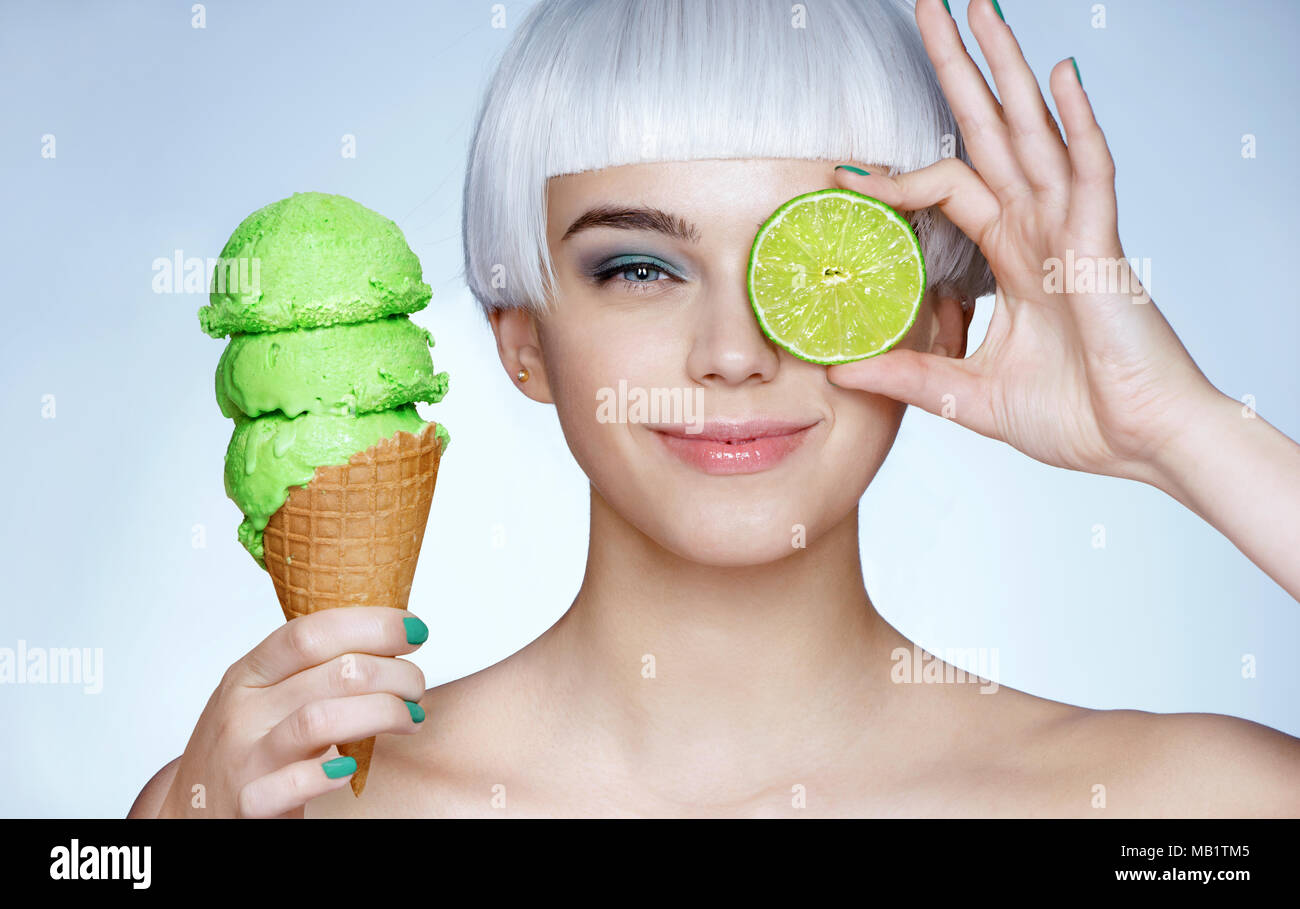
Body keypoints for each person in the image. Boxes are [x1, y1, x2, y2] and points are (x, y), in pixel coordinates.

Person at [131, 0, 1300, 818]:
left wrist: (1182, 431)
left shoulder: (1179, 813)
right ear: (524, 340)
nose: (734, 354)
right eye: (639, 266)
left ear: (941, 323)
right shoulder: (280, 812)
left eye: (823, 268)